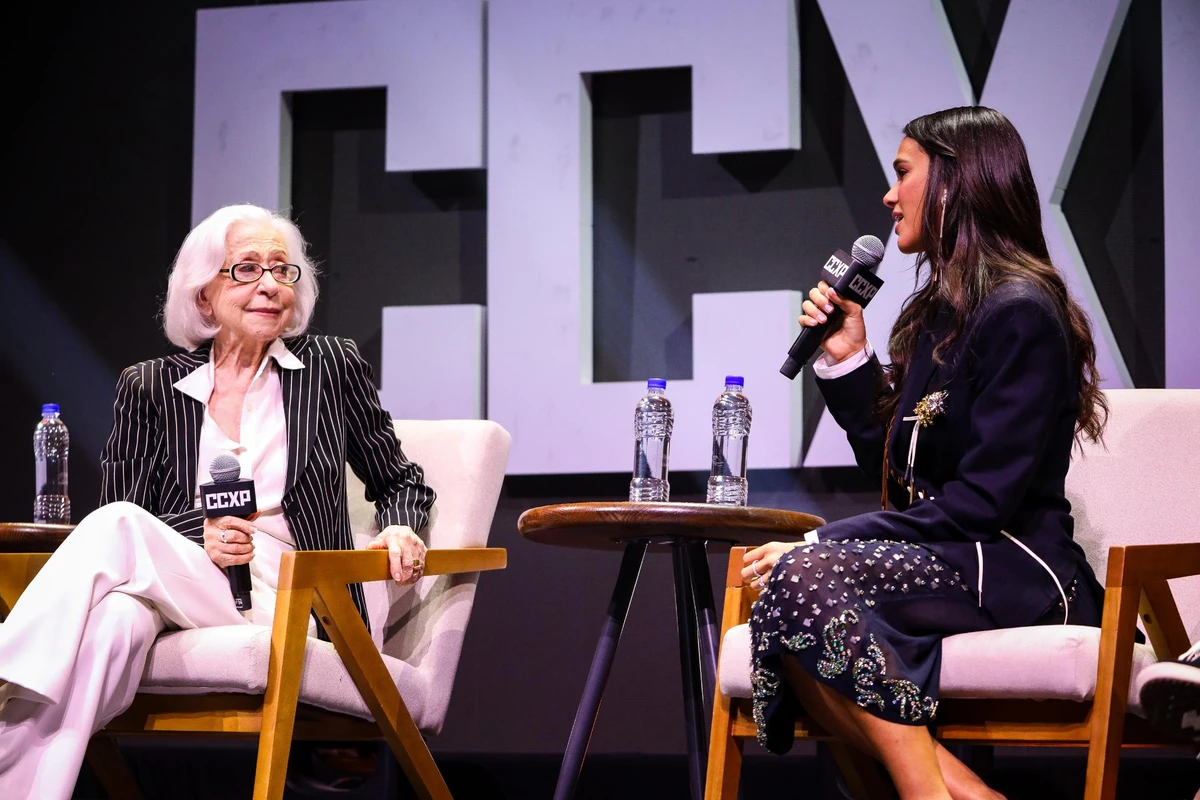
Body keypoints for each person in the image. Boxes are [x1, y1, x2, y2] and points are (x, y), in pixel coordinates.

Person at [0, 204, 436, 799]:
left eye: (283, 271)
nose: (269, 285)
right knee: (111, 624)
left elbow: (402, 480)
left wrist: (400, 528)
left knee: (119, 534)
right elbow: (124, 507)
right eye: (246, 269)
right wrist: (199, 533)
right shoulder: (149, 386)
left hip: (298, 591)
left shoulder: (330, 367)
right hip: (193, 584)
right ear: (203, 296)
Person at [743, 107, 1109, 800]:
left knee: (800, 578)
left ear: (954, 182)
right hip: (947, 559)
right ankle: (962, 795)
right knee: (789, 597)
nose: (889, 195)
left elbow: (981, 503)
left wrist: (823, 540)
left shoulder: (1022, 309)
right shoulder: (938, 311)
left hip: (1015, 566)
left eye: (903, 173)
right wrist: (849, 360)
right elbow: (898, 473)